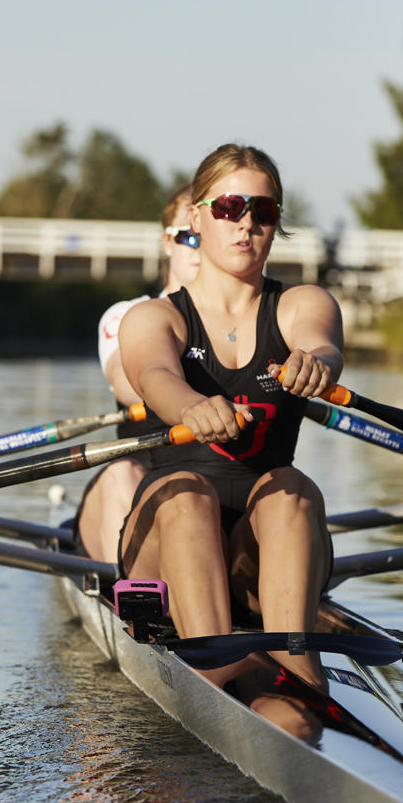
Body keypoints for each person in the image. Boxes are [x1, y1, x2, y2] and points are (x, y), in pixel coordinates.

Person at [116, 143, 344, 688]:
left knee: (291, 487)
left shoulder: (302, 304)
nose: (246, 223)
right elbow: (155, 375)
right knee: (186, 493)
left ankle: (300, 673)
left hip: (258, 549)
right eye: (228, 207)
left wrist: (317, 364)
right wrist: (190, 406)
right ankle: (215, 672)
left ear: (276, 223)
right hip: (165, 542)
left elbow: (322, 343)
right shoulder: (153, 317)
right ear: (197, 218)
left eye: (262, 211)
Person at [74, 186, 201, 563]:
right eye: (190, 237)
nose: (200, 249)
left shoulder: (249, 324)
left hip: (210, 488)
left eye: (209, 237)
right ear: (167, 242)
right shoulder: (128, 314)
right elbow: (126, 384)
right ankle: (129, 590)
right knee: (121, 472)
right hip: (139, 478)